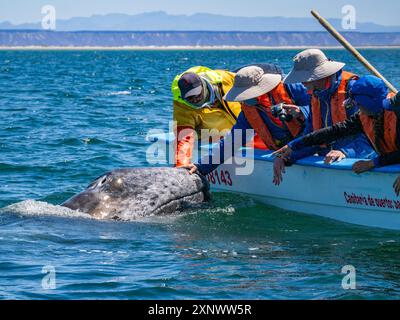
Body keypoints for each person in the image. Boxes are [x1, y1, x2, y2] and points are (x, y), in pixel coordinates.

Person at [272, 48, 376, 183]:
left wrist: (345, 152)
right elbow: (311, 134)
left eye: (305, 79)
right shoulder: (316, 96)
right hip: (330, 166)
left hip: (361, 165)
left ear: (320, 76)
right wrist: (288, 155)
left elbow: (373, 133)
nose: (302, 84)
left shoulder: (354, 90)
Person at [185, 65, 311, 176]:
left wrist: (301, 112)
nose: (243, 100)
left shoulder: (293, 89)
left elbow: (320, 114)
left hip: (312, 147)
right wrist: (201, 167)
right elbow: (232, 141)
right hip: (284, 154)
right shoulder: (249, 111)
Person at [273, 76, 399, 186]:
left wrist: (373, 163)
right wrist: (294, 145)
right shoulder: (364, 116)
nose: (358, 108)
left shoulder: (396, 113)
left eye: (359, 104)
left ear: (369, 103)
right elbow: (334, 132)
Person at [172, 66, 242, 167]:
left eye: (197, 95)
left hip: (247, 131)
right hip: (216, 139)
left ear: (203, 86)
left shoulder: (225, 79)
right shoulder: (182, 105)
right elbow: (184, 137)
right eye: (190, 98)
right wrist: (182, 165)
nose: (195, 100)